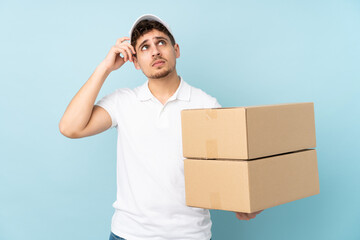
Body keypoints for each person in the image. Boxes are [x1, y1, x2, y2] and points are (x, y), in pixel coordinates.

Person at [59, 14, 262, 240]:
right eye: (144, 47)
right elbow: (70, 127)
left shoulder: (206, 104)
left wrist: (245, 200)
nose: (155, 51)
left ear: (176, 50)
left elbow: (229, 168)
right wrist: (105, 67)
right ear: (134, 61)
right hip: (128, 234)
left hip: (189, 235)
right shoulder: (123, 102)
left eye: (161, 42)